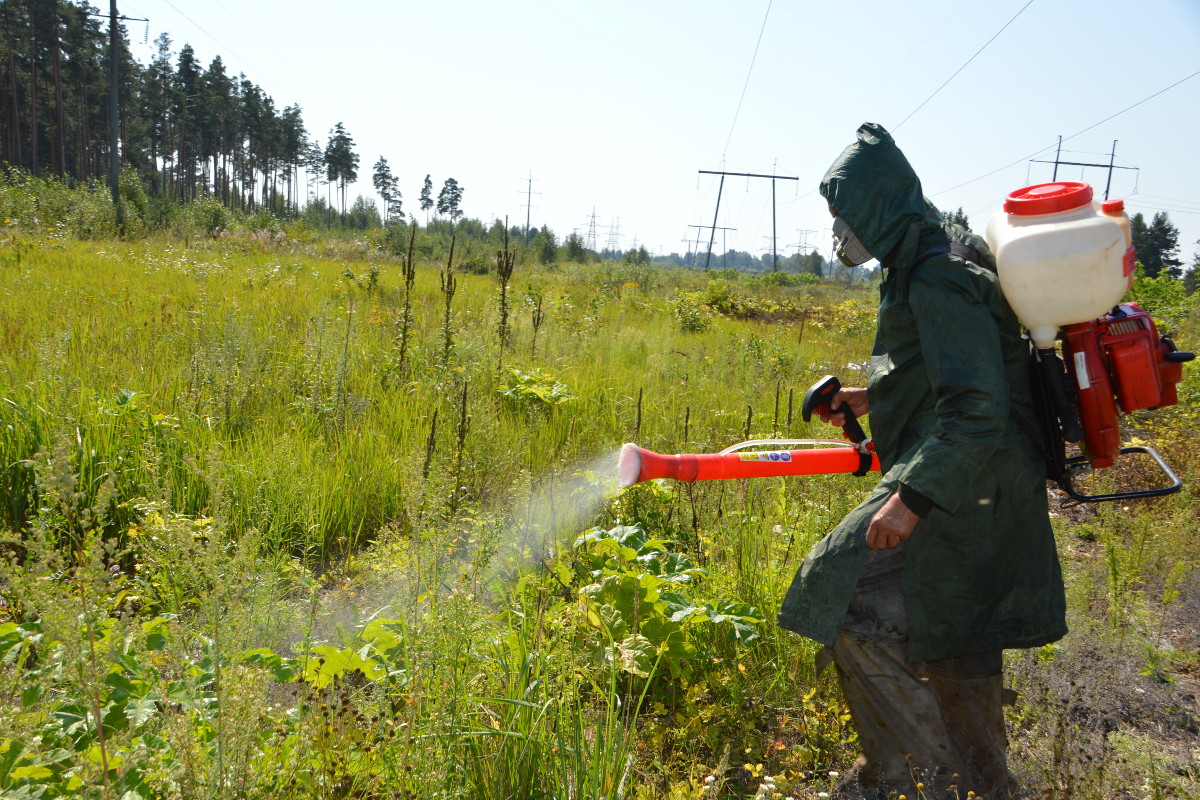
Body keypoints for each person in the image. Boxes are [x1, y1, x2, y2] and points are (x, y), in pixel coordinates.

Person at [776, 123, 1067, 799]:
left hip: (972, 483)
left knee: (840, 591)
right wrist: (864, 396)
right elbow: (927, 366)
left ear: (879, 208)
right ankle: (984, 786)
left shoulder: (936, 277)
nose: (839, 231)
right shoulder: (916, 266)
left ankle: (912, 778)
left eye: (843, 216)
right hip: (977, 479)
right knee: (959, 625)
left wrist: (911, 501)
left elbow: (976, 407)